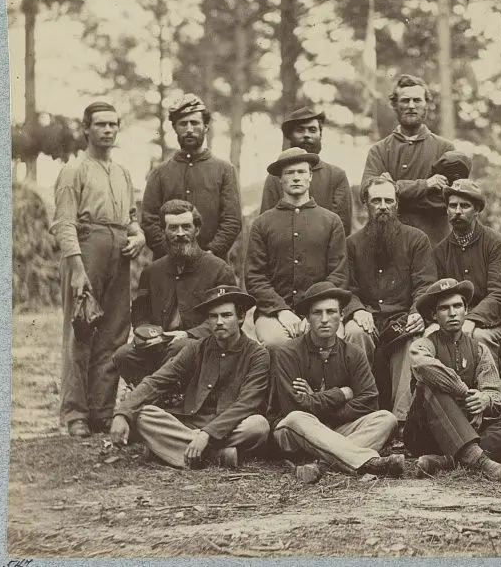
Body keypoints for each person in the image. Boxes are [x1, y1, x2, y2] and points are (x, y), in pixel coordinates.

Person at [50, 102, 146, 438]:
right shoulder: (74, 170)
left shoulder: (122, 173)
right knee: (82, 329)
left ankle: (102, 411)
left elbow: (131, 218)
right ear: (86, 129)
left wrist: (138, 236)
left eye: (112, 124)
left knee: (114, 332)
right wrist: (77, 268)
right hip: (87, 248)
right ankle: (76, 413)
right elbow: (63, 223)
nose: (107, 130)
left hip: (119, 252)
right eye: (100, 124)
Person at [109, 285, 270, 469]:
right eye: (213, 316)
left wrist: (207, 434)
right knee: (142, 414)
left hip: (231, 424)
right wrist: (122, 412)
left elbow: (247, 403)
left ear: (240, 317)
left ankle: (171, 449)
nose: (219, 322)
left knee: (258, 426)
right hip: (191, 422)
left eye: (226, 315)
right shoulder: (196, 348)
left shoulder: (257, 354)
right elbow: (157, 381)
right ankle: (214, 455)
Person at [268, 282, 404, 482]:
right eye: (317, 313)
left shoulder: (353, 353)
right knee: (297, 418)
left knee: (386, 418)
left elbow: (369, 401)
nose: (324, 319)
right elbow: (294, 406)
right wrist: (342, 393)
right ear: (307, 318)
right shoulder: (287, 353)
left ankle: (321, 464)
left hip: (337, 428)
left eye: (331, 312)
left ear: (341, 316)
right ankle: (368, 462)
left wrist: (316, 399)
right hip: (295, 432)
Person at [405, 278, 501, 479]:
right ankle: (480, 461)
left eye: (457, 306)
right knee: (430, 385)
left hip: (468, 428)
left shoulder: (479, 349)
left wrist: (485, 400)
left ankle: (448, 461)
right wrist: (464, 392)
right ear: (434, 315)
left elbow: (496, 395)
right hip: (426, 432)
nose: (452, 313)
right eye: (444, 308)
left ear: (466, 310)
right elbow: (424, 367)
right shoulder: (423, 345)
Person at [244, 147, 360, 353]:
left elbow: (338, 274)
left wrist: (313, 311)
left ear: (310, 176)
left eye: (301, 172)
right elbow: (255, 277)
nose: (296, 177)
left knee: (329, 343)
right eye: (289, 173)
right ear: (280, 179)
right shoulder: (262, 223)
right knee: (276, 342)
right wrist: (280, 310)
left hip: (322, 311)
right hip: (273, 313)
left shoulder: (331, 221)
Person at [343, 175, 437, 424]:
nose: (383, 206)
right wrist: (356, 309)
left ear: (397, 204)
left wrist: (417, 311)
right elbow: (346, 288)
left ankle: (401, 421)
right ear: (366, 204)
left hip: (402, 316)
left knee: (412, 339)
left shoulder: (417, 240)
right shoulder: (352, 244)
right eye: (376, 201)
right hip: (368, 317)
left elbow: (425, 284)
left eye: (388, 201)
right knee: (354, 333)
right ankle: (361, 414)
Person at [113, 200, 237, 386]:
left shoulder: (219, 269)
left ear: (196, 229)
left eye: (186, 227)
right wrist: (148, 335)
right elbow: (140, 314)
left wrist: (189, 334)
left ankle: (160, 393)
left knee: (180, 347)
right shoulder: (151, 272)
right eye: (173, 228)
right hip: (160, 345)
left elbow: (228, 317)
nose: (180, 233)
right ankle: (154, 393)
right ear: (164, 231)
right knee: (123, 355)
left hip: (204, 345)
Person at [141, 94, 242, 260]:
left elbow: (232, 221)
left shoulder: (225, 170)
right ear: (174, 128)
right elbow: (149, 220)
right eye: (183, 123)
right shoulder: (159, 173)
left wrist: (210, 254)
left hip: (212, 263)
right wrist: (170, 254)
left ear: (206, 127)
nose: (189, 129)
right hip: (167, 264)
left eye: (194, 123)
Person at [361, 75, 455, 245]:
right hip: (389, 244)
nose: (411, 106)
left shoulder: (445, 149)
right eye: (405, 100)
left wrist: (393, 188)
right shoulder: (379, 151)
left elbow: (445, 202)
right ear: (395, 105)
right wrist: (426, 185)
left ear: (427, 104)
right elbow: (367, 194)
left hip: (433, 244)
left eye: (417, 100)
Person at [430, 179, 501, 363]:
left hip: (491, 321)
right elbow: (438, 295)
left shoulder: (496, 244)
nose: (457, 211)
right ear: (446, 209)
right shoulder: (440, 251)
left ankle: (488, 382)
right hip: (452, 317)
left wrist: (471, 319)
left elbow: (498, 294)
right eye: (453, 206)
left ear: (477, 210)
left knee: (479, 337)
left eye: (465, 206)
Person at [260, 106, 353, 236]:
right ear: (290, 136)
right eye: (300, 130)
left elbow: (342, 228)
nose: (306, 135)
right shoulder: (275, 177)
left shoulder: (336, 176)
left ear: (320, 135)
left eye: (312, 130)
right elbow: (266, 225)